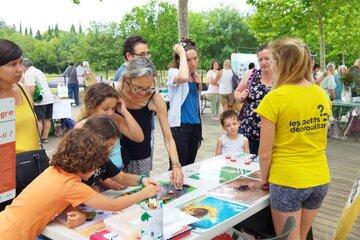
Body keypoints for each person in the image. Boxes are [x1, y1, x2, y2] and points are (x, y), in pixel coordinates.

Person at [0, 128, 160, 239]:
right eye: (96, 165)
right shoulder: (72, 186)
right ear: (86, 164)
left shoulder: (55, 170)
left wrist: (79, 213)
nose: (97, 170)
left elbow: (62, 200)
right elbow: (113, 205)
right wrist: (144, 193)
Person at [256, 37, 331, 240]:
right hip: (320, 177)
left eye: (271, 60)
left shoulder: (275, 98)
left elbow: (264, 153)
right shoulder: (321, 94)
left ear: (281, 63)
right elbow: (321, 138)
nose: (269, 64)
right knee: (303, 235)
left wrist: (264, 179)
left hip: (288, 179)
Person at [66, 115, 161, 228]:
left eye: (113, 145)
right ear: (91, 141)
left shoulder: (101, 158)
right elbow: (113, 205)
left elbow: (121, 177)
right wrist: (143, 193)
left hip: (88, 207)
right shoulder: (78, 163)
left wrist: (142, 179)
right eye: (109, 145)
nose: (111, 149)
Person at [119, 58, 184, 188]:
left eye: (148, 88)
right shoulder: (115, 94)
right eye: (138, 88)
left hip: (141, 157)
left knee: (139, 195)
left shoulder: (155, 99)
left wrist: (176, 164)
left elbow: (168, 138)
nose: (144, 93)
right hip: (115, 158)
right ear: (127, 80)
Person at [76, 83, 144, 190]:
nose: (110, 113)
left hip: (118, 173)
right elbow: (83, 166)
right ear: (92, 106)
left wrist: (124, 111)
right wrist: (106, 182)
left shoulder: (114, 119)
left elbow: (139, 138)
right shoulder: (82, 127)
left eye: (113, 108)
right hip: (99, 178)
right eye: (105, 108)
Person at [0, 39, 39, 211]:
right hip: (4, 177)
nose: (20, 69)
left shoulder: (23, 89)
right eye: (12, 64)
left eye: (21, 63)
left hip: (31, 169)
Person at [167, 38, 202, 167]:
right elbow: (182, 77)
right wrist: (181, 53)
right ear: (179, 60)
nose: (193, 63)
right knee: (177, 168)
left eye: (195, 58)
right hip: (180, 128)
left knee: (190, 168)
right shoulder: (174, 73)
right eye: (188, 59)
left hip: (195, 127)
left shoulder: (194, 75)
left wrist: (198, 84)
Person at [234, 44, 273, 155]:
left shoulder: (281, 77)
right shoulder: (252, 74)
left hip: (272, 133)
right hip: (249, 130)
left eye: (267, 58)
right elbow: (236, 92)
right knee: (248, 164)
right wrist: (241, 97)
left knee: (268, 166)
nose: (263, 62)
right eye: (260, 59)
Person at [22, 58, 55, 143]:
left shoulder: (29, 73)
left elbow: (31, 88)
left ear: (23, 65)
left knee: (39, 119)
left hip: (40, 99)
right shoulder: (39, 71)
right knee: (47, 119)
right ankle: (44, 138)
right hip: (49, 98)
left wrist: (29, 100)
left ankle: (37, 140)